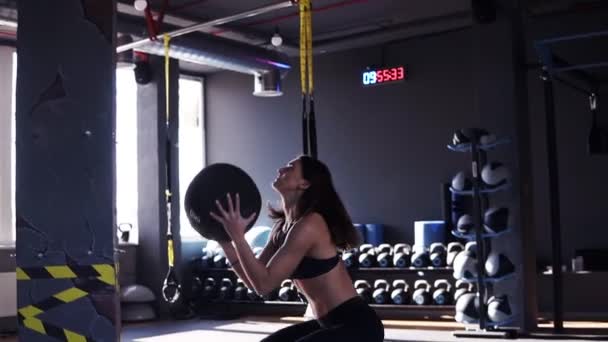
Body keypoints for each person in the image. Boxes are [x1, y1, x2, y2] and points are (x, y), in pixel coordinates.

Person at [210, 155, 385, 341]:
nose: (281, 170)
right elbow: (254, 280)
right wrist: (226, 242)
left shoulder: (311, 224)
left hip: (357, 326)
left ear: (304, 184)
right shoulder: (282, 227)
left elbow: (264, 284)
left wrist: (238, 237)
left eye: (290, 168)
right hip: (327, 324)